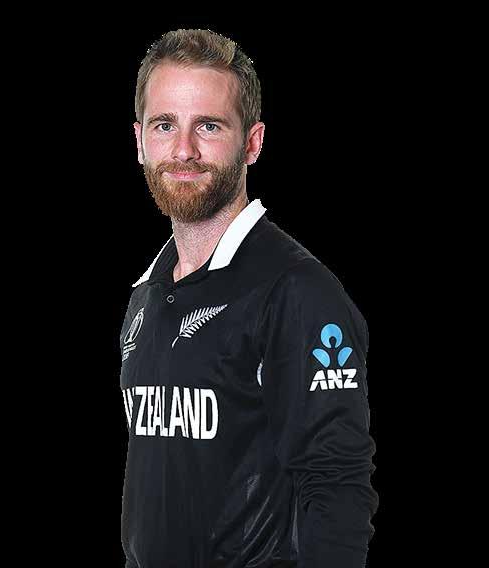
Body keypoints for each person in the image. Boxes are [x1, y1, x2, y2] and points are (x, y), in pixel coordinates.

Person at [120, 28, 378, 568]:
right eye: (165, 125)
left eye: (208, 126)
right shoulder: (147, 293)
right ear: (140, 140)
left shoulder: (297, 291)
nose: (183, 150)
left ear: (253, 142)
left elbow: (337, 486)